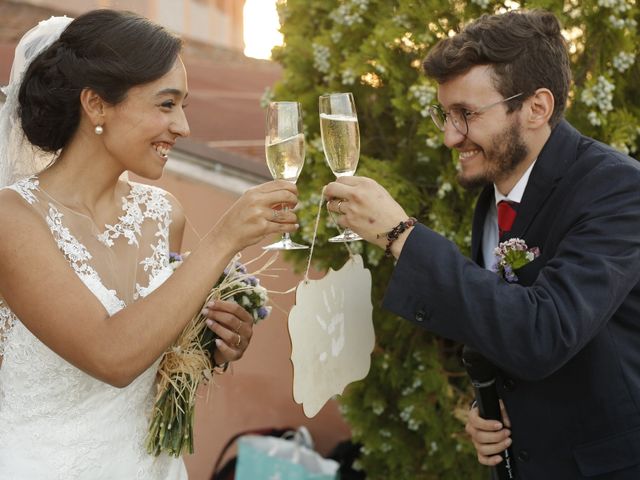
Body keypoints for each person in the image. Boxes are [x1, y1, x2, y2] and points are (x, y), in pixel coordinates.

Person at [324, 9, 640, 479]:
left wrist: (401, 237)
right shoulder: (494, 192)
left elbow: (545, 331)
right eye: (445, 115)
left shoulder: (618, 189)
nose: (451, 136)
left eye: (467, 115)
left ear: (537, 107)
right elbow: (498, 321)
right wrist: (490, 406)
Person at [0, 10, 299, 479]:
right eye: (166, 104)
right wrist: (224, 239)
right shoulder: (12, 220)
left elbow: (152, 367)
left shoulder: (162, 215)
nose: (182, 126)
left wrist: (211, 348)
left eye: (183, 106)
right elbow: (111, 357)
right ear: (96, 105)